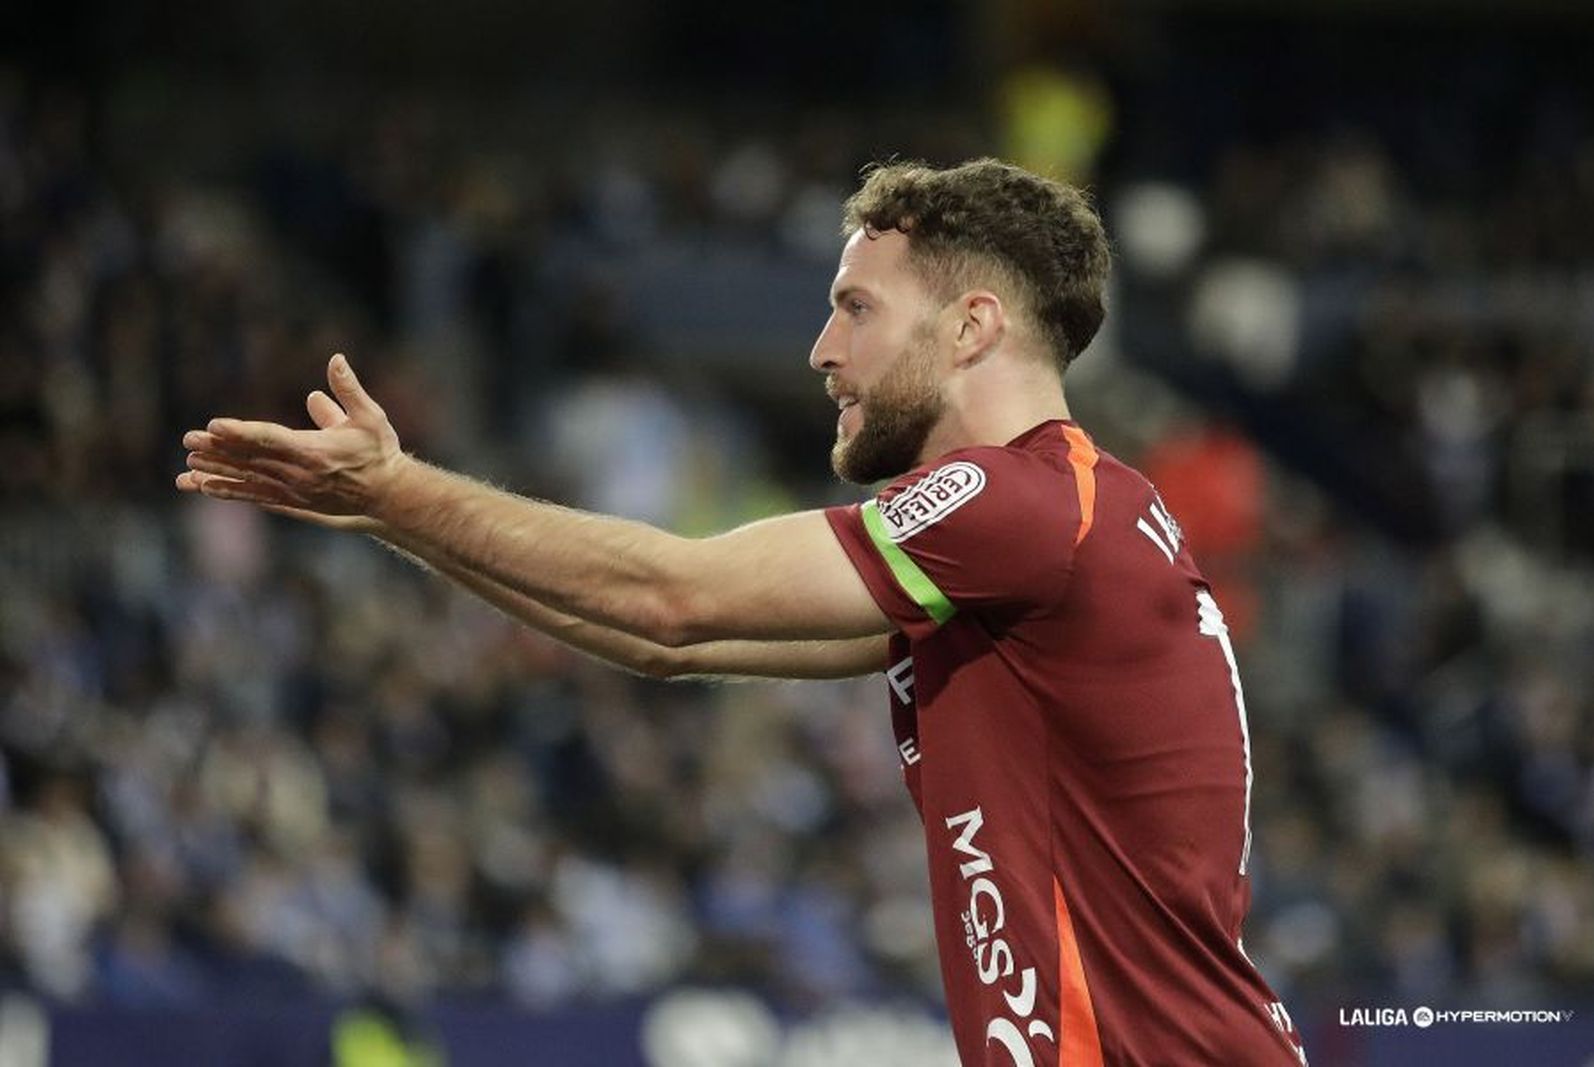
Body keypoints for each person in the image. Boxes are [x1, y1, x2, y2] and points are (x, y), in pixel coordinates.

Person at [176, 159, 1308, 1066]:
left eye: (855, 308)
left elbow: (674, 593)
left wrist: (397, 488)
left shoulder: (1018, 504)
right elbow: (671, 640)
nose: (821, 351)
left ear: (969, 328)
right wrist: (392, 516)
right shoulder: (1062, 524)